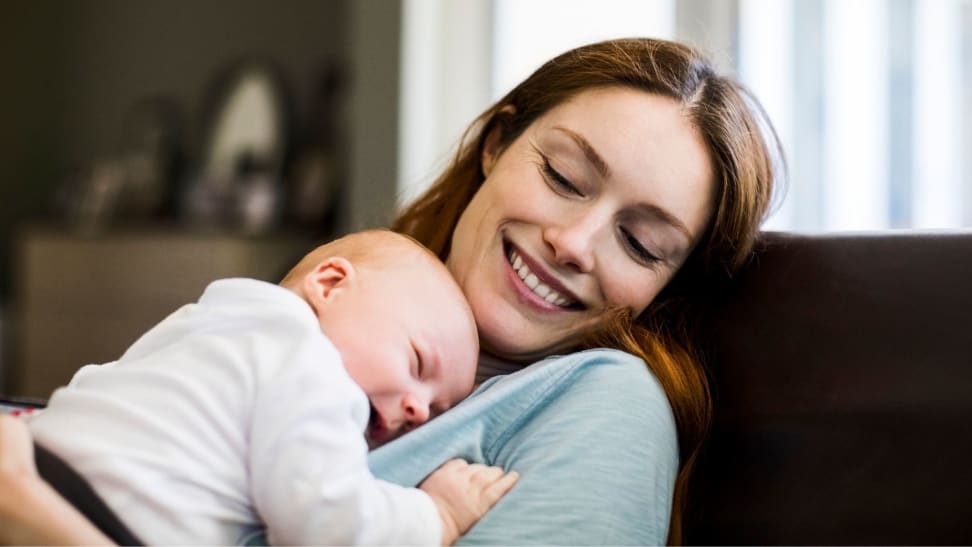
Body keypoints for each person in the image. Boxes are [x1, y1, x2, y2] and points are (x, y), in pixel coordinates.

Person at [0, 37, 779, 545]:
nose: (574, 244)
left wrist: (37, 517)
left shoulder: (606, 403)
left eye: (642, 243)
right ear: (497, 145)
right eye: (563, 176)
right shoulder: (325, 320)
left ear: (667, 287)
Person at [16, 230, 519, 545]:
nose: (416, 407)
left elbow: (98, 381)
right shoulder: (311, 364)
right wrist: (438, 514)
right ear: (329, 284)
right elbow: (328, 525)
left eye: (435, 409)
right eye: (416, 361)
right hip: (106, 516)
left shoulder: (213, 319)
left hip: (42, 459)